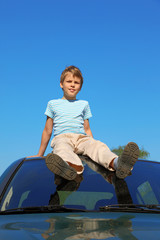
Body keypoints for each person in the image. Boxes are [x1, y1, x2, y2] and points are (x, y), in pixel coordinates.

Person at [29, 65, 139, 180]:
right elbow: (47, 130)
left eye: (76, 82)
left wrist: (92, 144)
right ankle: (68, 168)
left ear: (80, 87)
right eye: (69, 81)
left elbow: (87, 129)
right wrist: (40, 154)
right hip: (62, 137)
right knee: (62, 149)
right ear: (61, 84)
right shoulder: (52, 104)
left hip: (82, 138)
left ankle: (118, 163)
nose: (72, 84)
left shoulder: (84, 104)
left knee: (98, 147)